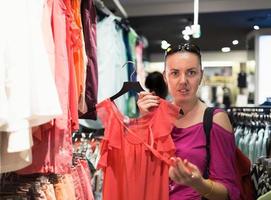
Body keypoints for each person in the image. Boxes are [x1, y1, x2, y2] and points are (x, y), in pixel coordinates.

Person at [137, 43, 240, 200]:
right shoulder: (154, 116)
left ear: (201, 75)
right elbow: (139, 175)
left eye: (191, 73)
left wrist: (199, 184)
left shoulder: (215, 120)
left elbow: (229, 191)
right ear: (165, 77)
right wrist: (144, 122)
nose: (183, 80)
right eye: (175, 73)